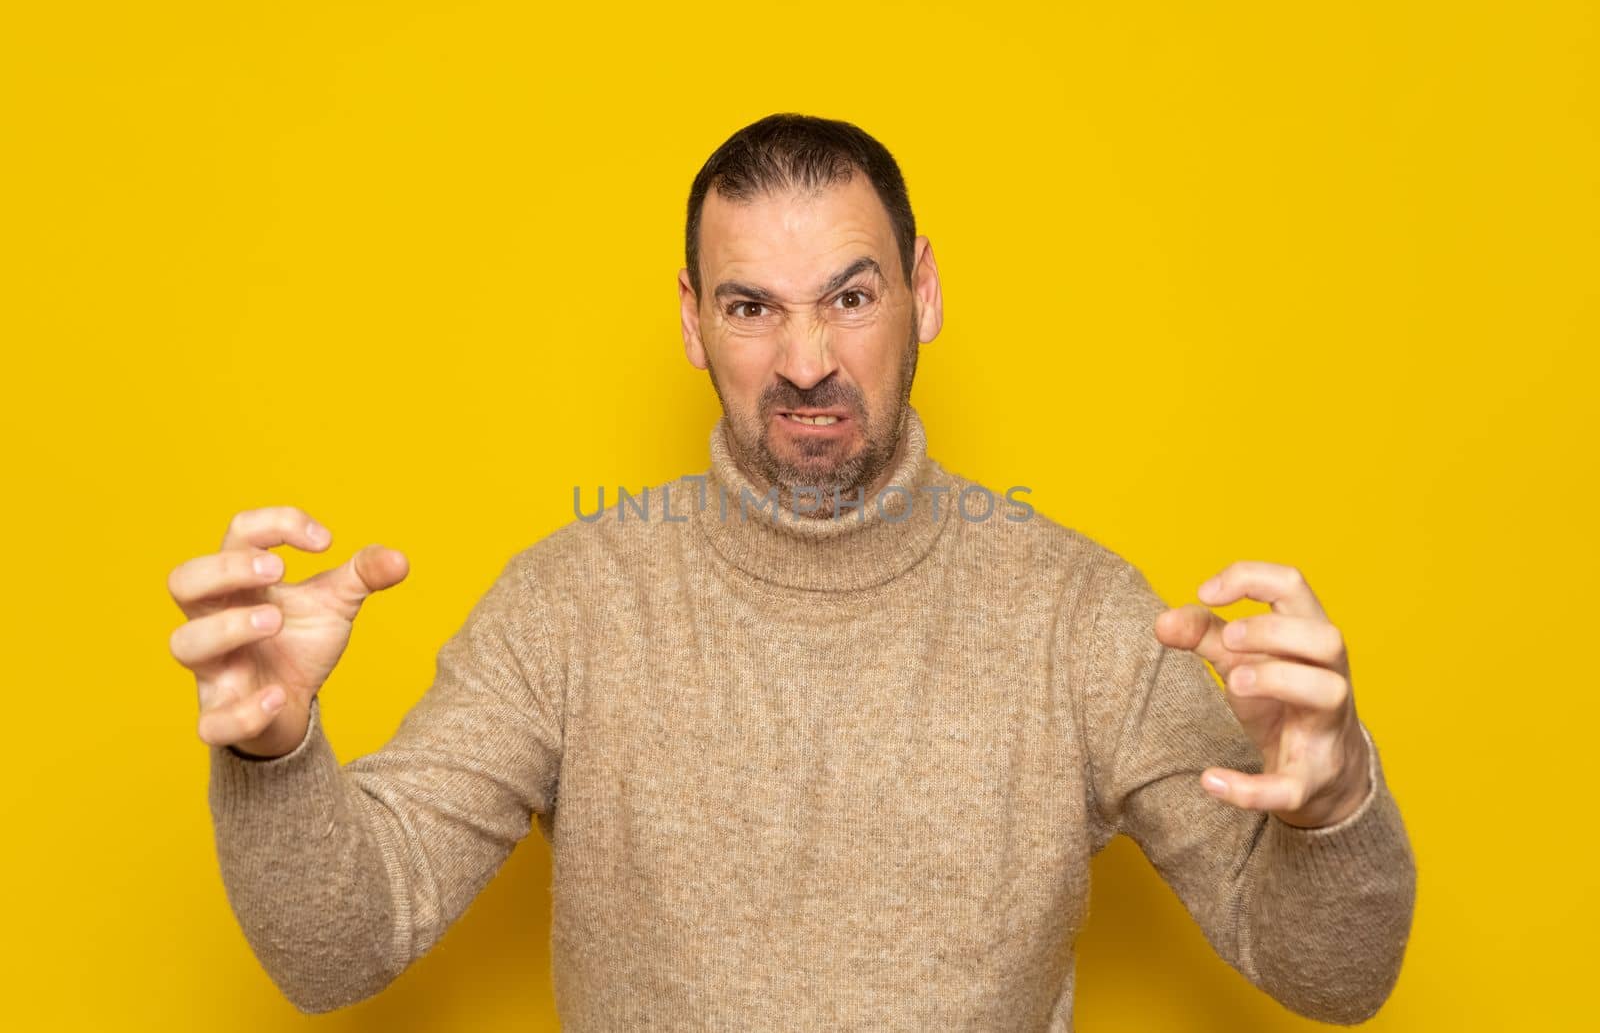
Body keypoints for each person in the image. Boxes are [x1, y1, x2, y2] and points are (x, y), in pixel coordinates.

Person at [170, 113, 1416, 1030]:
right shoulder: (571, 603)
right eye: (753, 306)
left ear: (921, 293)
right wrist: (277, 758)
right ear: (690, 319)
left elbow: (1332, 974)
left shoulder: (1077, 615)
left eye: (851, 295)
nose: (808, 357)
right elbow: (344, 944)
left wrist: (1336, 797)